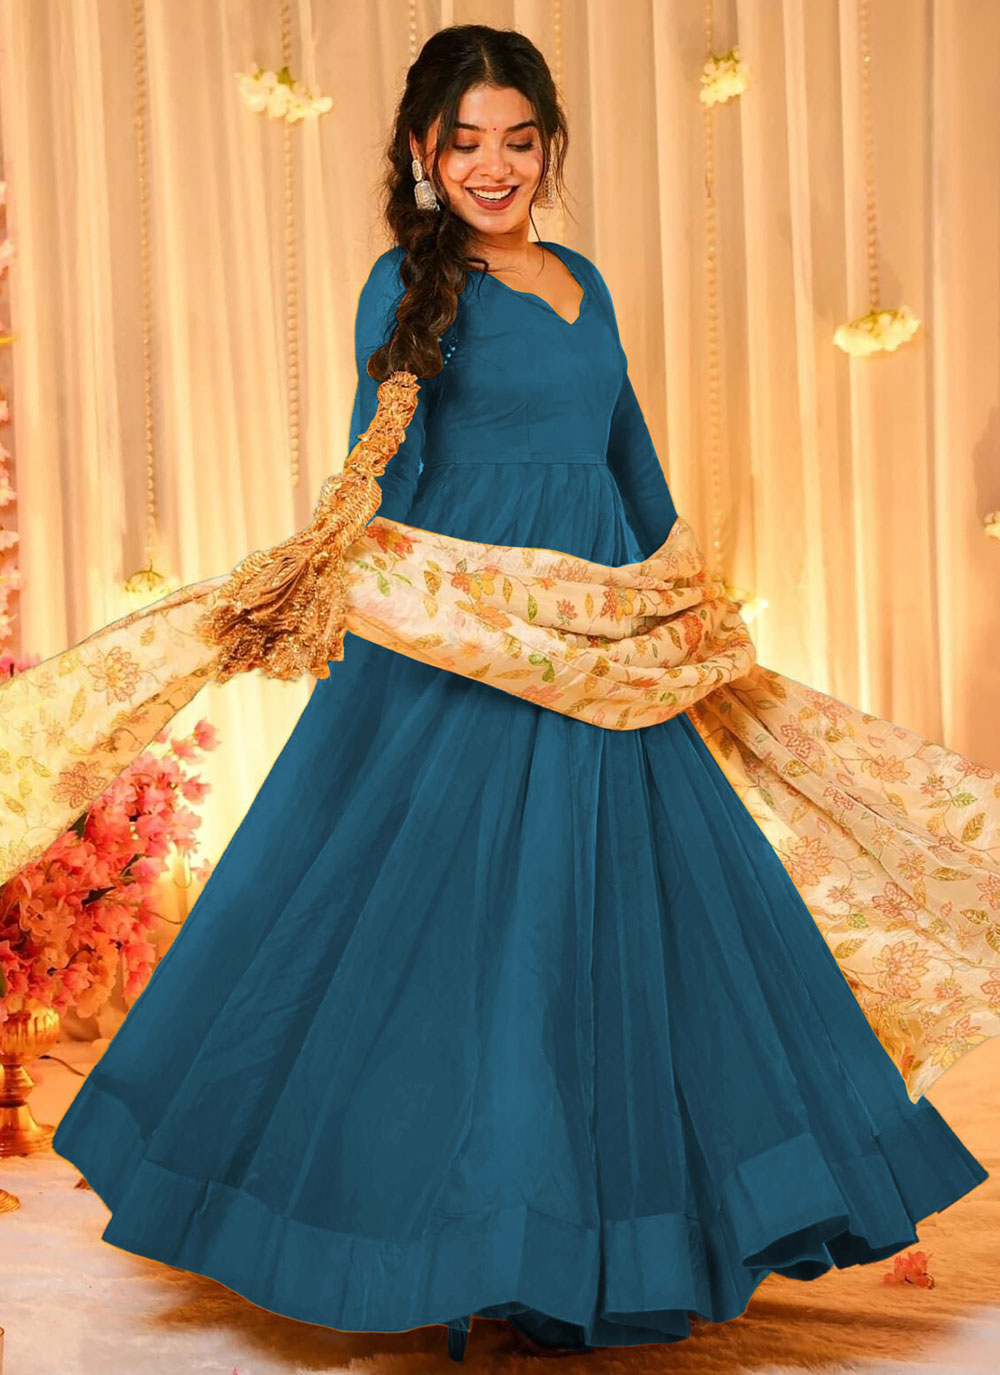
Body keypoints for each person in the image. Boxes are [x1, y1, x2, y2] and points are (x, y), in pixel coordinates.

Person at [50, 23, 989, 1365]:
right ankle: (465, 1241)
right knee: (463, 943)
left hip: (603, 643)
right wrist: (330, 582)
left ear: (549, 146)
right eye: (466, 143)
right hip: (469, 646)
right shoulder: (406, 285)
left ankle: (589, 1246)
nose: (494, 167)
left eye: (520, 140)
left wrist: (681, 597)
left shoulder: (582, 282)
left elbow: (626, 453)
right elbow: (379, 470)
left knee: (612, 938)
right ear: (423, 154)